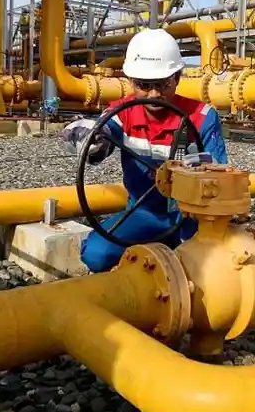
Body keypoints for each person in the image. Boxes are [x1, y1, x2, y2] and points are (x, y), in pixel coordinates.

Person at [61, 29, 228, 272]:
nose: (154, 94)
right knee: (96, 254)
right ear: (130, 81)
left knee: (207, 269)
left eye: (163, 84)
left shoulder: (202, 117)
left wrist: (192, 170)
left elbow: (219, 176)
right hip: (144, 213)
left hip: (192, 217)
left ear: (177, 77)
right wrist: (87, 136)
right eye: (144, 85)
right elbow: (100, 134)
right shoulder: (122, 113)